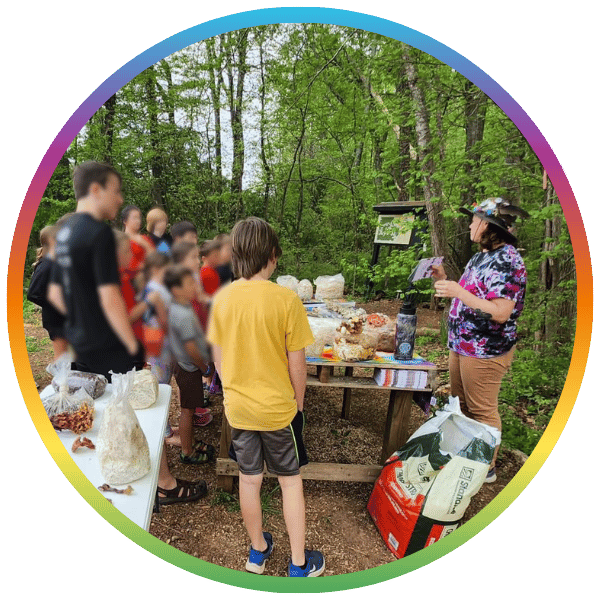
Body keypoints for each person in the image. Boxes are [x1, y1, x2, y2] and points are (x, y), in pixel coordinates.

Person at [47, 161, 206, 505]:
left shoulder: (65, 231)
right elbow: (109, 297)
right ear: (95, 190)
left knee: (91, 416)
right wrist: (132, 343)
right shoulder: (97, 232)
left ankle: (99, 482)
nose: (120, 201)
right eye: (116, 191)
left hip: (81, 348)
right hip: (111, 349)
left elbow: (57, 295)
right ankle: (163, 483)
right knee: (141, 412)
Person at [207, 216, 325, 577]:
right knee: (289, 482)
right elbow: (298, 366)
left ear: (237, 255)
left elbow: (218, 355)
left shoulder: (223, 299)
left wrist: (233, 389)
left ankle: (257, 552)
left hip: (239, 410)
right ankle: (299, 564)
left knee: (249, 480)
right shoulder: (286, 300)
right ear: (272, 255)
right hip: (278, 411)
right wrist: (299, 407)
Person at [432, 197, 528, 483]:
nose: (470, 224)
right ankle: (463, 456)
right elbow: (474, 294)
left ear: (488, 226)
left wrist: (458, 292)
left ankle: (486, 469)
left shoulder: (508, 260)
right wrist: (447, 279)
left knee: (482, 410)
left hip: (486, 350)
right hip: (462, 344)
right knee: (459, 404)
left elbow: (500, 312)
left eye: (474, 220)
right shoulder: (481, 257)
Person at [164, 265, 215, 464]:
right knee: (187, 410)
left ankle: (190, 441)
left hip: (181, 362)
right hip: (188, 366)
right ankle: (187, 451)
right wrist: (205, 368)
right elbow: (192, 349)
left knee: (190, 407)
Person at [27, 224, 68, 358]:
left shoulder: (56, 262)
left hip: (63, 319)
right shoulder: (46, 265)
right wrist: (56, 304)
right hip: (55, 320)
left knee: (68, 358)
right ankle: (59, 379)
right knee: (62, 360)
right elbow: (33, 293)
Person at [121, 204, 154, 279]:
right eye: (135, 218)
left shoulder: (145, 239)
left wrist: (144, 244)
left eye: (139, 218)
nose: (138, 221)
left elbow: (155, 259)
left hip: (146, 279)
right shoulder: (120, 240)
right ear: (125, 221)